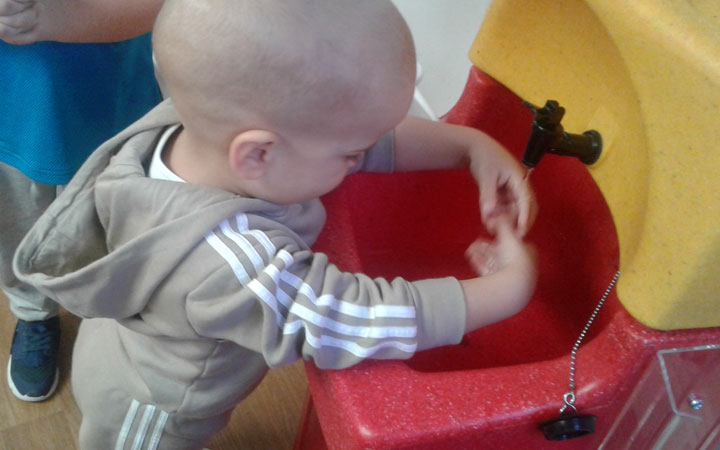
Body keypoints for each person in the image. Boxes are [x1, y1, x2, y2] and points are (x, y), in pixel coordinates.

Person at [14, 0, 537, 447]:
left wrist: (469, 147)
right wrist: (507, 291)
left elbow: (348, 135)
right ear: (258, 155)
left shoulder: (193, 123)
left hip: (120, 341)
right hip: (153, 410)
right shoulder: (230, 257)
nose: (362, 159)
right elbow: (345, 319)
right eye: (352, 154)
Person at [0, 0, 164, 402]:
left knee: (119, 229)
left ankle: (118, 321)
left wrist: (48, 18)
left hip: (116, 99)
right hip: (13, 107)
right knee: (17, 225)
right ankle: (34, 312)